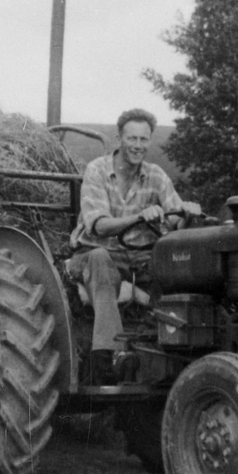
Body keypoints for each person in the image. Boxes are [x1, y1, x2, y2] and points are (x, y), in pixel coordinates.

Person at [67, 108, 201, 384]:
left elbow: (175, 222)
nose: (138, 146)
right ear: (119, 138)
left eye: (144, 140)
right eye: (132, 139)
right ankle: (109, 356)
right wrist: (140, 216)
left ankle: (164, 355)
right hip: (92, 253)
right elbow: (100, 226)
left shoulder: (156, 175)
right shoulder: (98, 170)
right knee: (101, 258)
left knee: (176, 272)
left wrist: (186, 213)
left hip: (140, 257)